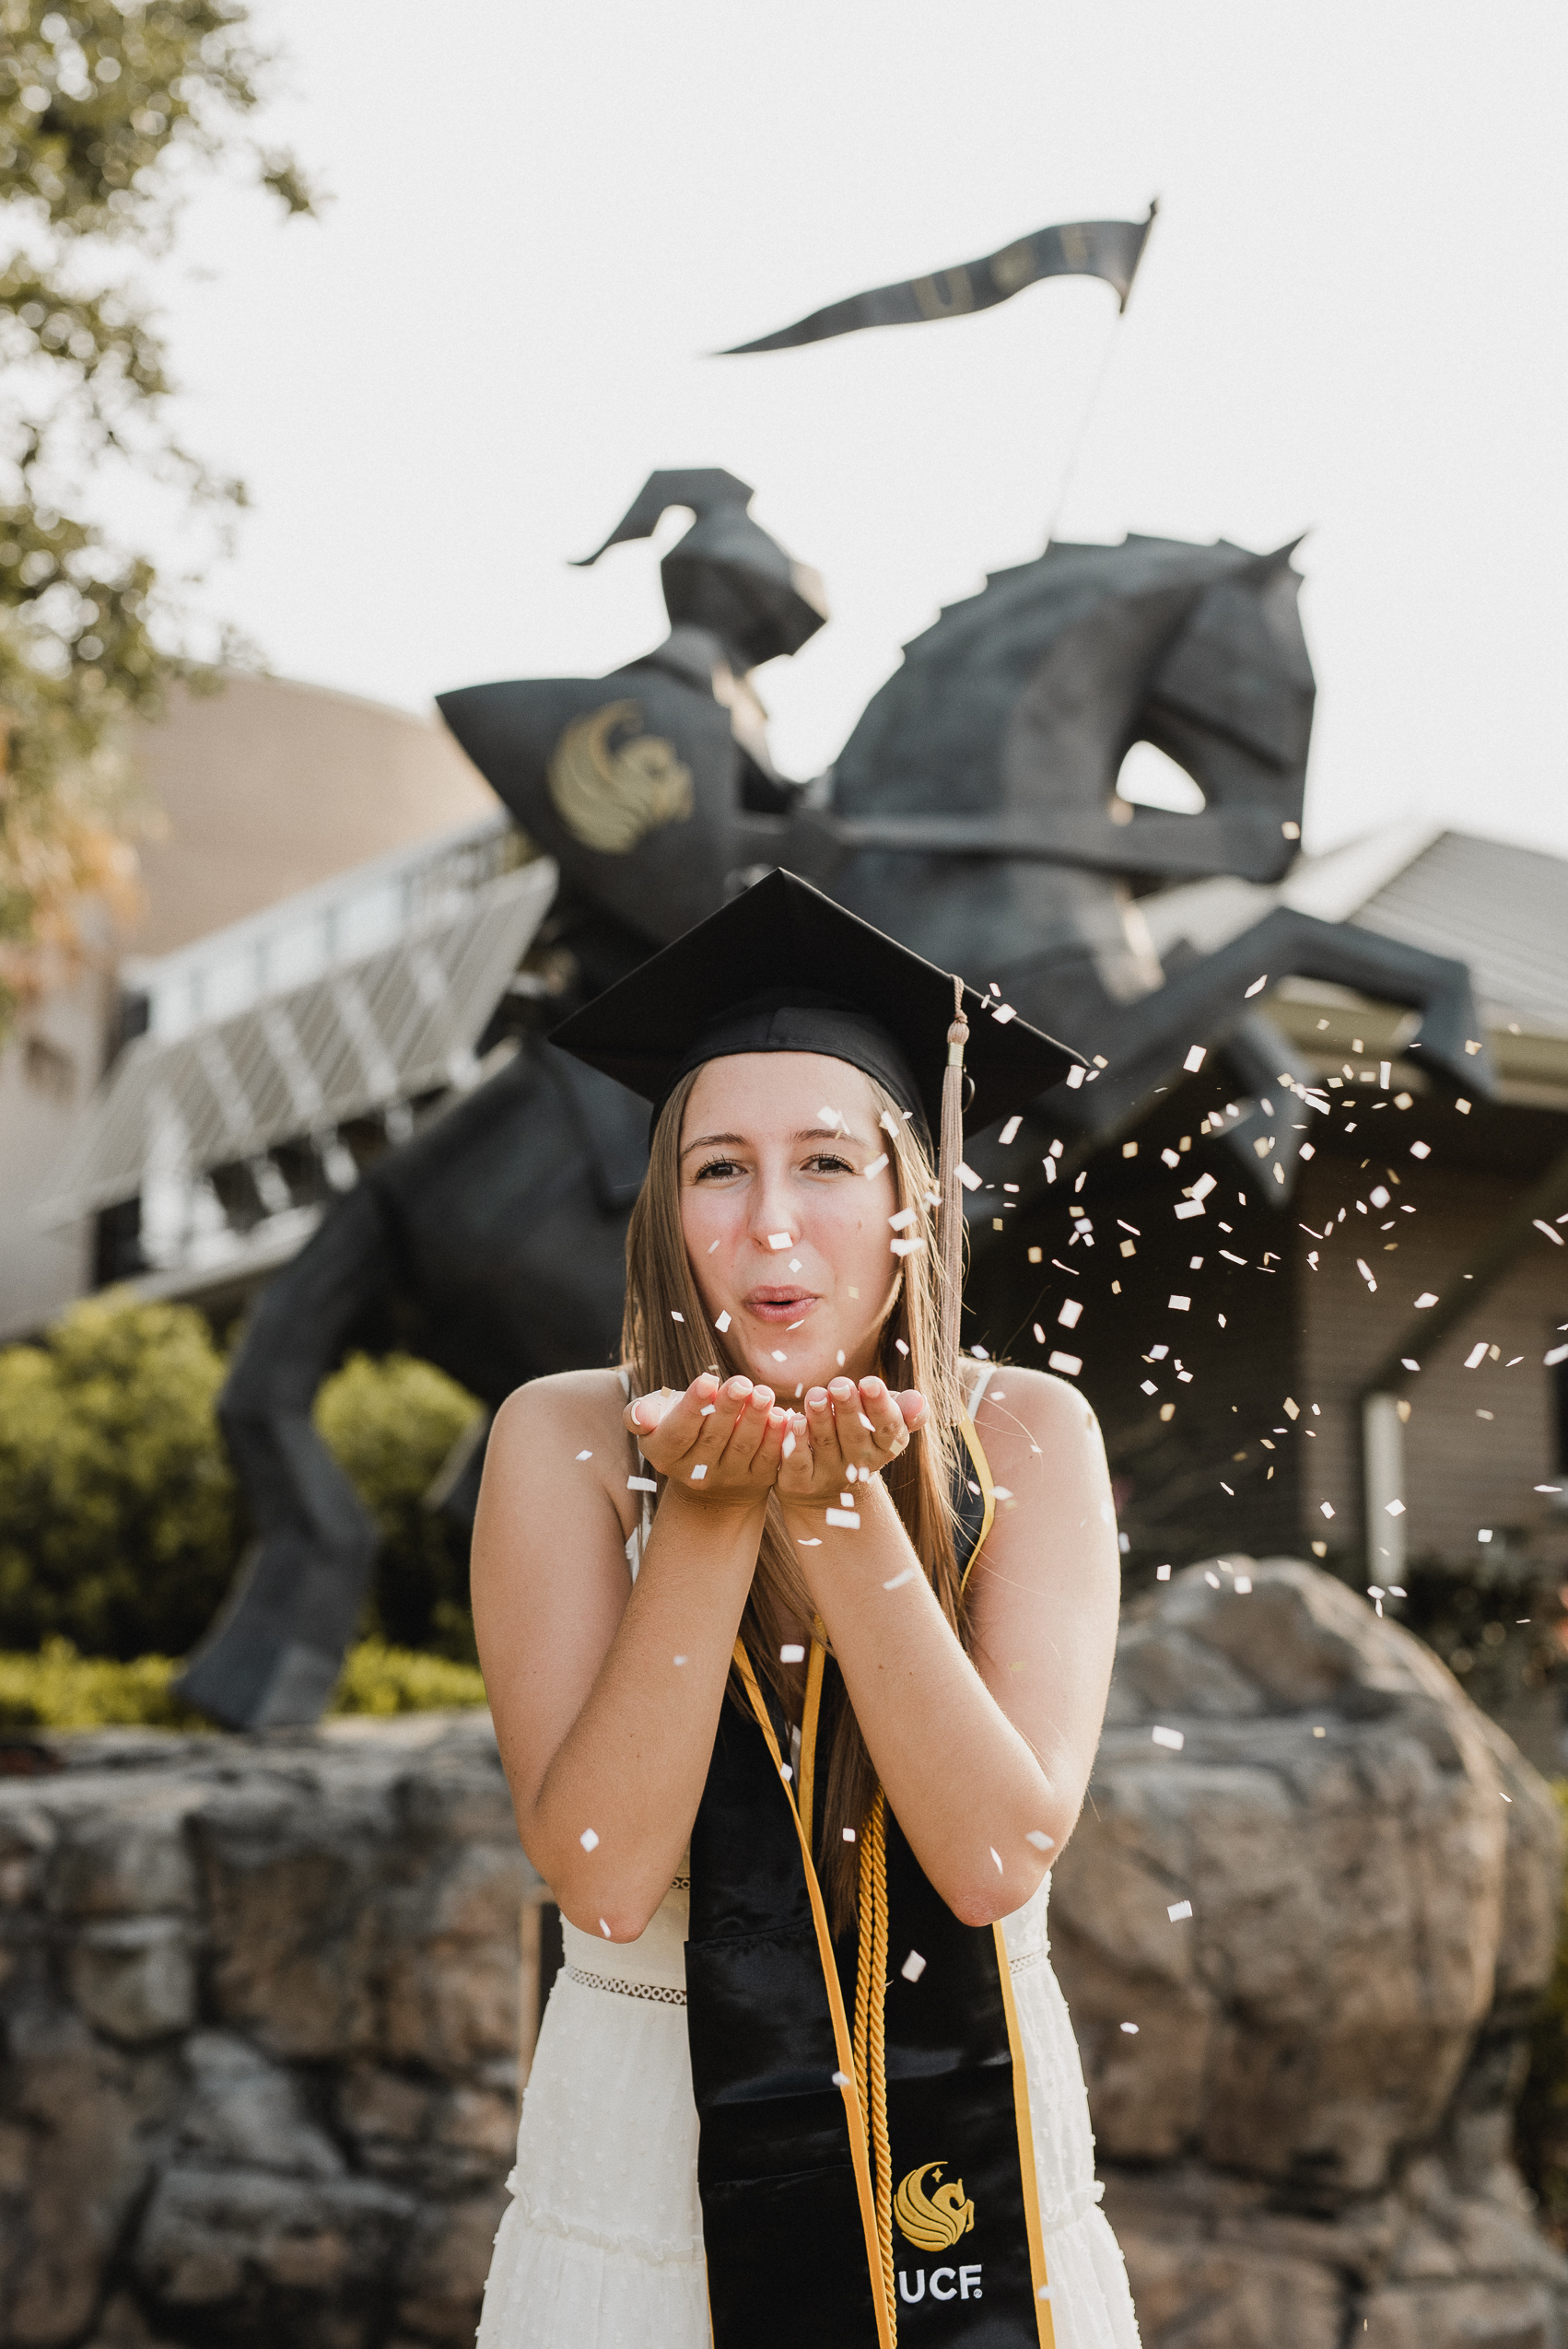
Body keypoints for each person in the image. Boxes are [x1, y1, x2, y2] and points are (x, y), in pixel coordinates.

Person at [471, 871, 1140, 2349]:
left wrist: (845, 1520)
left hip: (968, 2120)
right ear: (667, 1202)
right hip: (648, 2145)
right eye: (718, 1168)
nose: (770, 1222)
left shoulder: (1023, 1435)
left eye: (828, 1162)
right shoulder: (564, 1437)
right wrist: (705, 1522)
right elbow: (599, 1873)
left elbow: (987, 1858)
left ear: (911, 1195)